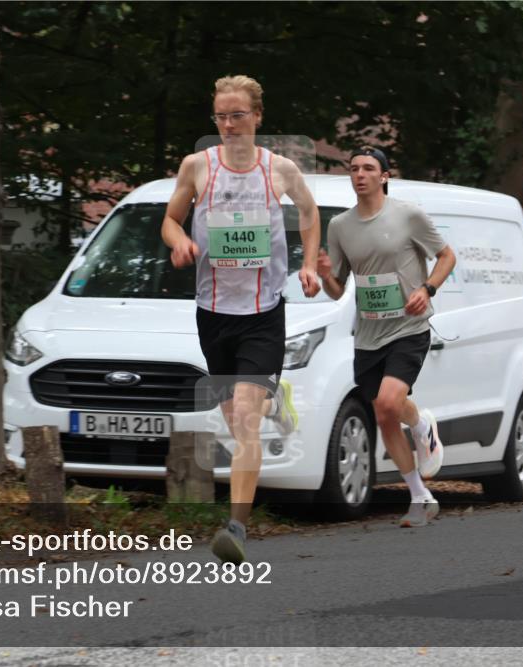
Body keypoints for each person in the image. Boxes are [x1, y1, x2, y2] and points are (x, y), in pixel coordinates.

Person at [161, 75, 321, 562]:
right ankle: (279, 402)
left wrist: (310, 264)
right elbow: (169, 219)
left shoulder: (281, 171)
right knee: (239, 419)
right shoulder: (197, 167)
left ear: (257, 117)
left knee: (244, 422)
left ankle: (236, 528)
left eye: (237, 115)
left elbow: (311, 215)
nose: (229, 126)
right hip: (213, 316)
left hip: (262, 315)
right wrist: (180, 243)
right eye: (220, 117)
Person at [317, 146, 457, 527]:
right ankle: (419, 493)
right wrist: (325, 273)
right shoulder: (340, 226)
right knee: (387, 413)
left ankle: (420, 430)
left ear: (384, 176)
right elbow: (336, 288)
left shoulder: (407, 215)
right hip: (368, 333)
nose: (359, 174)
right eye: (354, 168)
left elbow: (447, 256)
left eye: (368, 168)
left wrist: (426, 289)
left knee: (387, 403)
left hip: (409, 327)